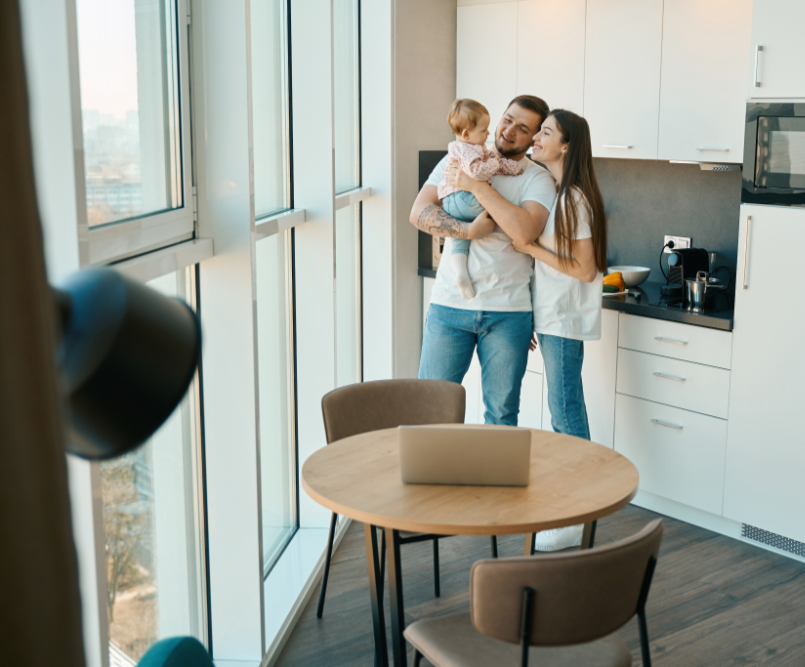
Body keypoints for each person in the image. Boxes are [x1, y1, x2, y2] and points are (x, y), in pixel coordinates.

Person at [411, 95, 555, 426]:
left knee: (502, 416)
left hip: (508, 314)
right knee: (430, 411)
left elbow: (524, 232)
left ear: (533, 137)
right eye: (507, 119)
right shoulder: (458, 155)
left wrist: (475, 186)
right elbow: (419, 212)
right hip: (448, 307)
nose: (508, 131)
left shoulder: (537, 178)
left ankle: (493, 478)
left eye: (522, 128)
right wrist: (469, 230)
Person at [513, 109, 608, 551]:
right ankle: (577, 514)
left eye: (545, 132)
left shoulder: (573, 198)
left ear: (566, 146)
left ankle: (577, 518)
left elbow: (586, 269)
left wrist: (529, 246)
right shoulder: (560, 193)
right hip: (553, 318)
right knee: (564, 410)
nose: (536, 138)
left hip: (564, 321)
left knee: (566, 412)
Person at [438, 99, 524, 299]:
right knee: (498, 209)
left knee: (460, 238)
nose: (488, 134)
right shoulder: (466, 149)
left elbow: (494, 165)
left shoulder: (468, 148)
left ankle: (461, 273)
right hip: (463, 198)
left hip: (452, 203)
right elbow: (477, 171)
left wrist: (512, 168)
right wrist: (495, 161)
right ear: (466, 134)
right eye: (483, 130)